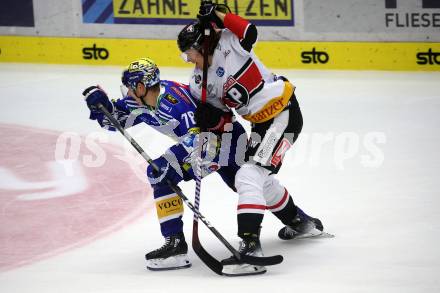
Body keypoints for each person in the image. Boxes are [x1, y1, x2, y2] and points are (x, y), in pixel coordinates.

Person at [177, 2, 325, 276]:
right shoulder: (199, 82)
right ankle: (301, 223)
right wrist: (209, 120)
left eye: (190, 53)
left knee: (248, 175)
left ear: (204, 46)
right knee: (260, 178)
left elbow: (250, 30)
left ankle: (250, 248)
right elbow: (223, 121)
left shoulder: (229, 42)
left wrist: (218, 14)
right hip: (260, 125)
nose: (189, 60)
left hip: (285, 114)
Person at [82, 57, 247, 271]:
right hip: (206, 143)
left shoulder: (175, 103)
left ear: (141, 87)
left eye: (130, 88)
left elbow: (202, 143)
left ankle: (176, 246)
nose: (127, 93)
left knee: (247, 184)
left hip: (221, 141)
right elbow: (115, 121)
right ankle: (297, 221)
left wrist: (184, 164)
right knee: (245, 184)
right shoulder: (140, 100)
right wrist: (101, 107)